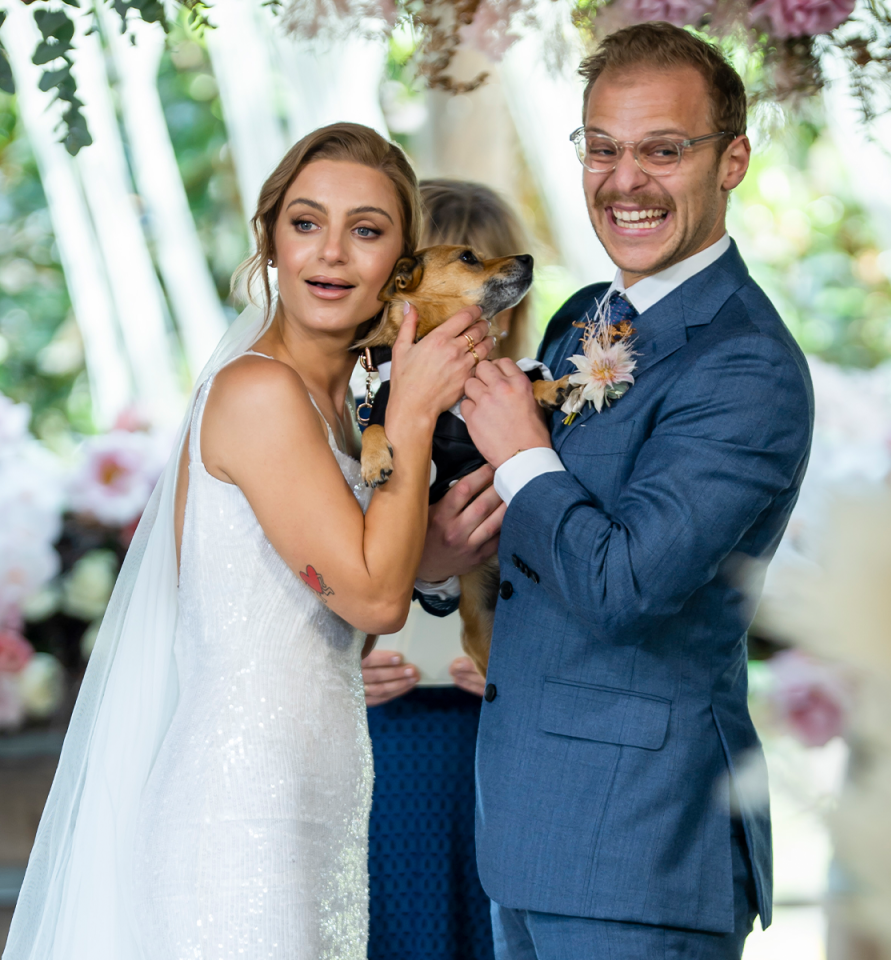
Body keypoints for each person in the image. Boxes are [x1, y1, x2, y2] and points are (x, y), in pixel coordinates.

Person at [3, 123, 494, 960]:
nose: (330, 254)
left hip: (318, 802)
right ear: (270, 240)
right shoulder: (261, 392)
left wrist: (432, 556)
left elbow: (329, 606)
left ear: (401, 263)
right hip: (239, 813)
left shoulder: (337, 409)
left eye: (366, 231)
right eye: (306, 223)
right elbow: (373, 597)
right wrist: (413, 412)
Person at [458, 23, 814, 960]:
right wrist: (445, 556)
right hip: (530, 832)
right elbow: (542, 542)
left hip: (642, 851)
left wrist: (520, 454)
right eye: (603, 148)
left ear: (732, 158)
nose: (625, 181)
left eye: (663, 149)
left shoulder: (745, 365)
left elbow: (626, 586)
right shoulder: (590, 315)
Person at [361, 179, 533, 960]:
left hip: (497, 733)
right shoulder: (355, 406)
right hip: (380, 729)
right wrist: (332, 671)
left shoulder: (533, 402)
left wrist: (518, 668)